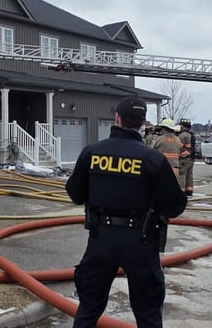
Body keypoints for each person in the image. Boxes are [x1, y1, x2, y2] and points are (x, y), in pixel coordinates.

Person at [65, 97, 187, 327]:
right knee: (148, 314)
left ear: (117, 118)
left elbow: (75, 194)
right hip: (140, 241)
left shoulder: (92, 153)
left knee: (89, 307)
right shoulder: (153, 159)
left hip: (100, 240)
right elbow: (174, 206)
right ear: (142, 122)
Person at [151, 118, 183, 186]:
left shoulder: (159, 139)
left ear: (164, 129)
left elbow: (151, 151)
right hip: (175, 168)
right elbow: (180, 151)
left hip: (162, 167)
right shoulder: (178, 140)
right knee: (174, 187)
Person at [177, 118, 196, 196]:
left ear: (183, 126)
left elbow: (177, 145)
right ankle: (189, 190)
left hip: (184, 158)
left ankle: (180, 192)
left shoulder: (183, 135)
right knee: (189, 175)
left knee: (182, 174)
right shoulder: (192, 134)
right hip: (191, 158)